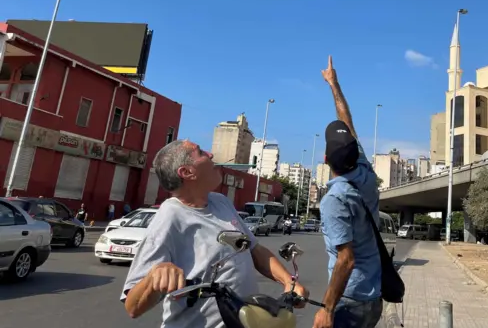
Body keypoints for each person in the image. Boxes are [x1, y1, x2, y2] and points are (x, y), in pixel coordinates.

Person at [120, 140, 309, 327]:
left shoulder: (221, 202)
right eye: (200, 152)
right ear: (187, 172)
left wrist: (289, 282)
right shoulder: (170, 217)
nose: (210, 154)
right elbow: (132, 307)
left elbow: (254, 250)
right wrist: (154, 277)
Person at [313, 56, 382, 328]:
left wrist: (327, 309)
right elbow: (347, 121)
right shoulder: (365, 173)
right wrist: (334, 84)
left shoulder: (334, 200)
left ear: (325, 159)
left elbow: (346, 259)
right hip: (373, 297)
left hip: (350, 301)